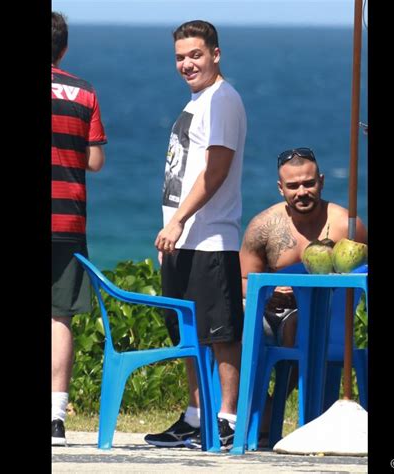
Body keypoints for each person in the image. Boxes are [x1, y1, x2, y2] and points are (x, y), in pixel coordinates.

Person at [145, 20, 247, 449]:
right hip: (183, 239)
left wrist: (178, 221)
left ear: (216, 54)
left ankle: (226, 418)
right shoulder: (198, 101)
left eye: (196, 55)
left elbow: (217, 170)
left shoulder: (222, 99)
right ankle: (195, 414)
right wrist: (174, 230)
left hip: (211, 239)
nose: (187, 64)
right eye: (180, 57)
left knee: (220, 334)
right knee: (188, 332)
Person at [239, 147, 367, 441]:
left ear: (321, 181)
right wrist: (271, 290)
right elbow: (243, 279)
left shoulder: (346, 226)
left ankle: (281, 410)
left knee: (301, 328)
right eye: (293, 186)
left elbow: (363, 275)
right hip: (270, 310)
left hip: (324, 316)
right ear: (280, 188)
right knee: (232, 326)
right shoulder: (263, 227)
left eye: (308, 183)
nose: (302, 192)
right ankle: (240, 413)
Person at [51, 12, 107, 446]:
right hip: (67, 220)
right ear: (64, 48)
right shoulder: (84, 91)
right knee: (60, 316)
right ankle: (55, 417)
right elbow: (94, 161)